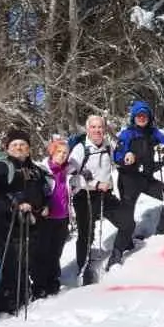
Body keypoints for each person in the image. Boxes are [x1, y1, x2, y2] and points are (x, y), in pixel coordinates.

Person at [0, 128, 49, 315]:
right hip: (9, 222)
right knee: (11, 261)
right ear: (7, 148)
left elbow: (44, 191)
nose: (19, 148)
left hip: (33, 222)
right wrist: (12, 204)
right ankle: (8, 302)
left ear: (29, 148)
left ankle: (25, 293)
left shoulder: (35, 170)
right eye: (15, 145)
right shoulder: (1, 168)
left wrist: (44, 205)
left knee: (30, 258)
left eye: (23, 145)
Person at [111, 100, 164, 266]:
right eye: (139, 116)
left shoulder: (153, 132)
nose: (142, 118)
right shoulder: (127, 134)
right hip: (128, 180)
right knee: (127, 219)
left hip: (147, 179)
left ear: (149, 117)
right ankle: (120, 251)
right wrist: (126, 157)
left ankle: (160, 232)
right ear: (134, 117)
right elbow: (116, 156)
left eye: (145, 115)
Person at [68, 115, 125, 284]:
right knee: (86, 234)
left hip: (105, 194)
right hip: (84, 195)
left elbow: (118, 161)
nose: (97, 130)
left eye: (100, 127)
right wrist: (94, 183)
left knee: (126, 222)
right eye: (93, 127)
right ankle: (83, 269)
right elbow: (71, 177)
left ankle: (118, 255)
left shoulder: (108, 145)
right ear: (87, 129)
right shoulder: (80, 149)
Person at [32, 136, 72, 298]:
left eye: (65, 153)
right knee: (42, 252)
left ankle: (53, 280)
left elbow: (76, 185)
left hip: (63, 217)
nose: (62, 155)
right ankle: (39, 284)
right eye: (59, 152)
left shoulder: (67, 171)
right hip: (46, 218)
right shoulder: (42, 170)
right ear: (52, 152)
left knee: (56, 251)